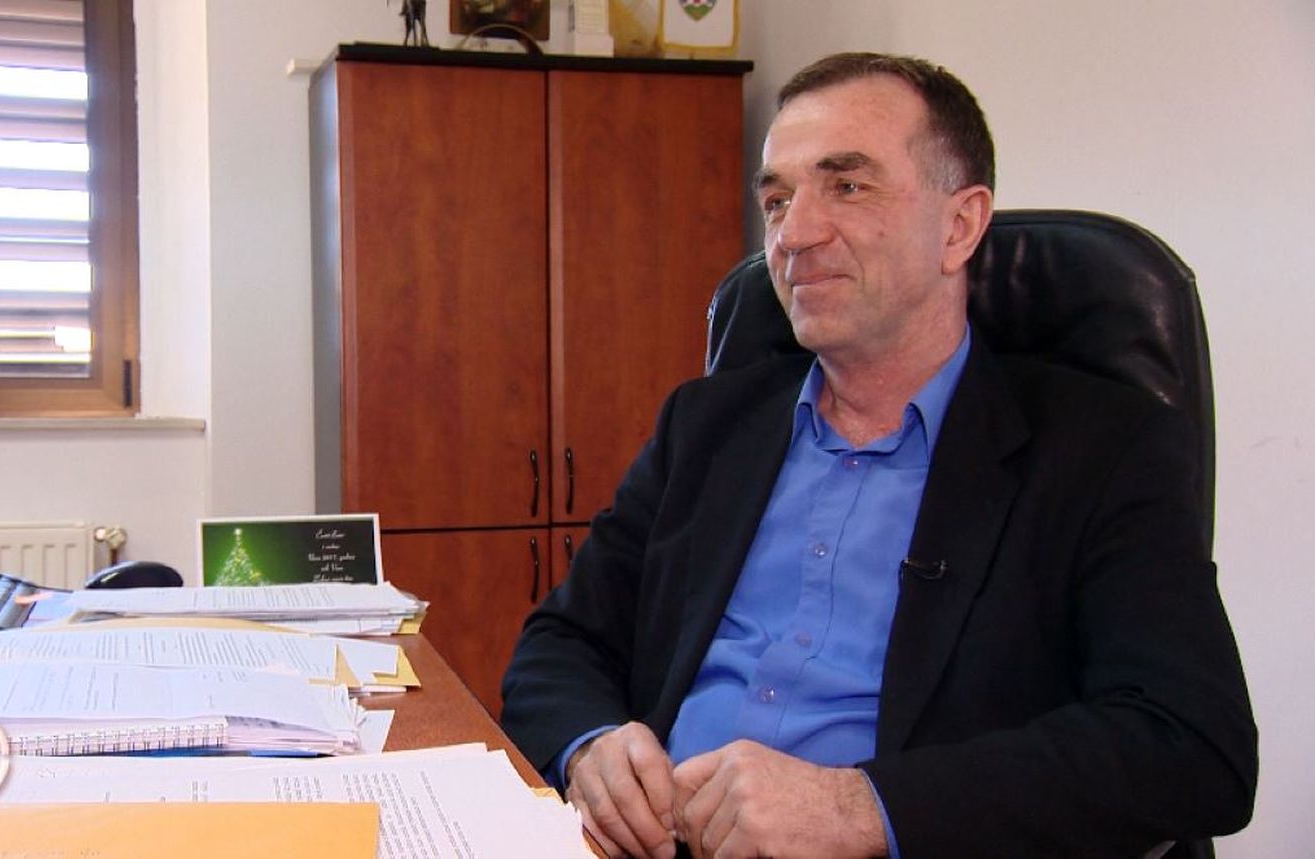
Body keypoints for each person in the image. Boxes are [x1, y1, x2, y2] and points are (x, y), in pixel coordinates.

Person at [499, 52, 1256, 858]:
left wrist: (861, 807)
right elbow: (560, 641)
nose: (793, 235)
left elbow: (1192, 743)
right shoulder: (708, 425)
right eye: (777, 201)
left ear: (959, 227)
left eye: (848, 186)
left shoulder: (1101, 446)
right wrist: (592, 744)